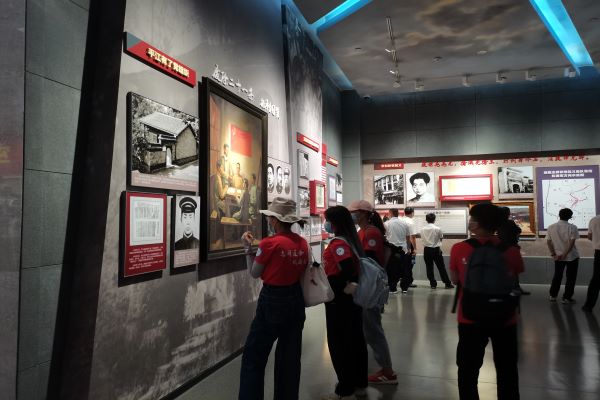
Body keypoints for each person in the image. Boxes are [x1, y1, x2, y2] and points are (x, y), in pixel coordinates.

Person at [450, 203, 523, 399]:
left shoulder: (459, 248)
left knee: (468, 368)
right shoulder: (511, 250)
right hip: (505, 317)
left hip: (469, 316)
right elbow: (515, 275)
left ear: (477, 224)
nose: (470, 221)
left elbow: (455, 280)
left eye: (472, 219)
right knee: (507, 368)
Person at [238, 198, 308, 400]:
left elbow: (254, 273)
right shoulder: (302, 243)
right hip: (295, 299)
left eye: (270, 217)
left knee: (254, 356)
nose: (268, 220)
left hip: (273, 299)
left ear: (275, 220)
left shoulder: (270, 243)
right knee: (290, 359)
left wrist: (247, 248)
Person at [347, 200, 397, 385]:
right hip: (365, 285)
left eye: (353, 212)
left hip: (370, 286)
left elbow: (369, 261)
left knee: (373, 330)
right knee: (368, 328)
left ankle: (388, 371)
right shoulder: (362, 231)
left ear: (362, 213)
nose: (351, 215)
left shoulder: (371, 232)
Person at [321, 206, 368, 400]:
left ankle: (345, 388)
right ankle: (359, 383)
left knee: (340, 342)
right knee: (355, 339)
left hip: (339, 300)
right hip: (351, 300)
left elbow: (347, 269)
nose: (326, 224)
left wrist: (338, 288)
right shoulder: (351, 240)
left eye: (327, 220)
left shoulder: (338, 243)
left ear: (335, 223)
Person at [546, 208, 580, 304]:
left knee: (557, 276)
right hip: (572, 256)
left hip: (558, 257)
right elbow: (572, 243)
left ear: (559, 215)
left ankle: (553, 295)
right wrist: (565, 254)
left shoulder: (551, 227)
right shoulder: (573, 227)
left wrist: (554, 254)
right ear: (570, 217)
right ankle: (566, 297)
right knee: (571, 277)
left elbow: (548, 242)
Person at [497, 206, 530, 295]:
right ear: (507, 214)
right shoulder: (510, 222)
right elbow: (518, 230)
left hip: (501, 249)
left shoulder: (498, 223)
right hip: (511, 248)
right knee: (513, 270)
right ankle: (516, 288)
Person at [421, 213, 453, 289]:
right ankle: (447, 283)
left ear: (426, 220)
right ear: (434, 219)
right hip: (436, 249)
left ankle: (433, 284)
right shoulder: (438, 229)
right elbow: (441, 238)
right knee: (441, 267)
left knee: (429, 267)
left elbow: (423, 238)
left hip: (426, 250)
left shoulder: (422, 229)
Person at [383, 208, 411, 294]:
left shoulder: (386, 223)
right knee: (404, 270)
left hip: (392, 250)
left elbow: (384, 237)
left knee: (392, 270)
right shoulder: (404, 223)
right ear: (397, 213)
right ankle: (404, 288)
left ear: (390, 213)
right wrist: (409, 248)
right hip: (403, 249)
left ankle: (393, 288)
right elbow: (408, 238)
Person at [583, 214, 600, 312]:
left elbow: (589, 237)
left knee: (596, 279)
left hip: (599, 253)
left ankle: (588, 305)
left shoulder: (594, 219)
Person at [400, 207, 418, 293]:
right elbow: (413, 237)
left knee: (403, 264)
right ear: (412, 213)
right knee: (410, 264)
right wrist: (415, 248)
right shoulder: (411, 222)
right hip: (408, 245)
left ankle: (406, 280)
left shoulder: (401, 220)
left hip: (400, 244)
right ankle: (408, 281)